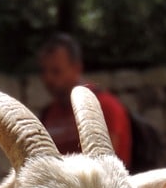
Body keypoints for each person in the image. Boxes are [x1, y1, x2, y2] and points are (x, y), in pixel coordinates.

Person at [37, 33, 132, 166]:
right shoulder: (48, 114)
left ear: (76, 68)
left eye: (56, 71)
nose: (48, 79)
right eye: (44, 71)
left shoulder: (105, 107)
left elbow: (106, 166)